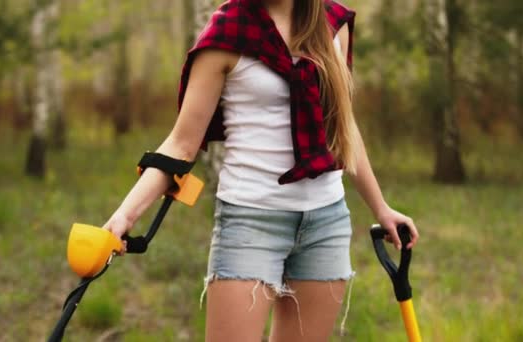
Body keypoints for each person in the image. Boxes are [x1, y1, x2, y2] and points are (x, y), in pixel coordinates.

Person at [103, 0, 419, 340]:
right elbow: (182, 144)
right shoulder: (228, 33)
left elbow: (343, 130)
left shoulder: (331, 24)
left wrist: (381, 207)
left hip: (326, 225)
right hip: (250, 221)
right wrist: (126, 216)